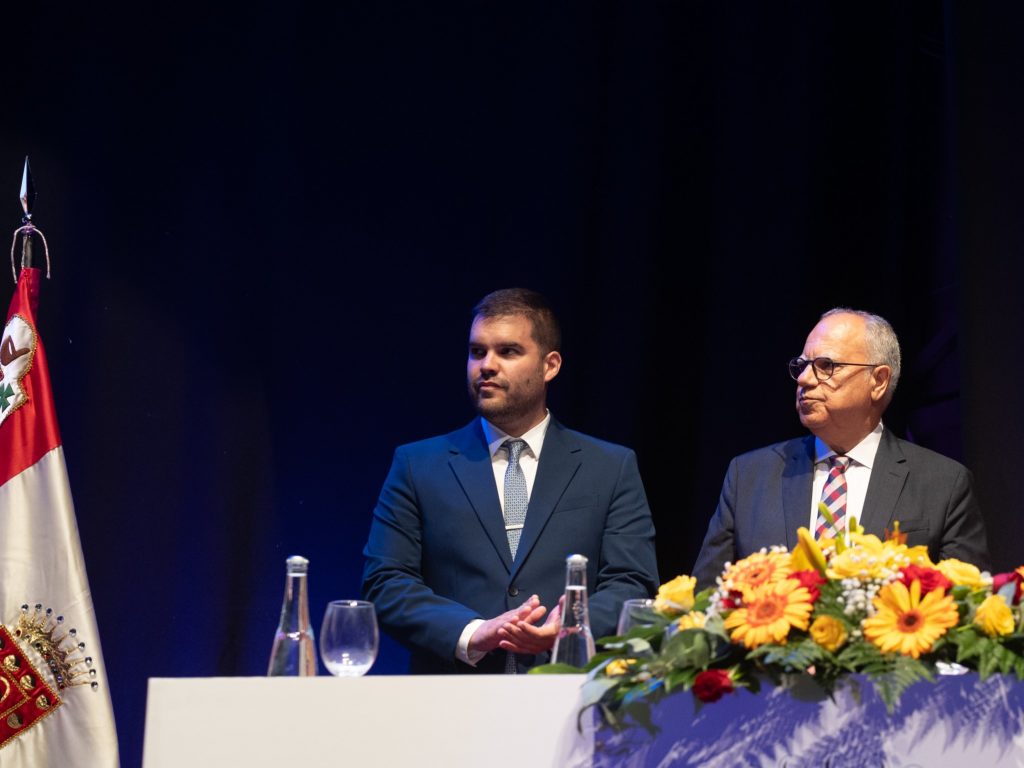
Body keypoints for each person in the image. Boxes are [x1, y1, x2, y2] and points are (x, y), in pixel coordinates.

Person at [362, 288, 659, 673]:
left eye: (508, 352)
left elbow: (633, 584)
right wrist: (472, 632)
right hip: (451, 701)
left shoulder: (610, 466)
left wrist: (568, 629)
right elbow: (386, 583)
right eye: (476, 351)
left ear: (550, 365)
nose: (486, 365)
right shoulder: (418, 465)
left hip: (569, 695)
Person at [692, 308, 990, 588]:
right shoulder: (750, 477)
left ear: (878, 381)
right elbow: (704, 604)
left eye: (826, 366)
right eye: (803, 366)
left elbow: (967, 611)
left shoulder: (943, 484)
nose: (805, 380)